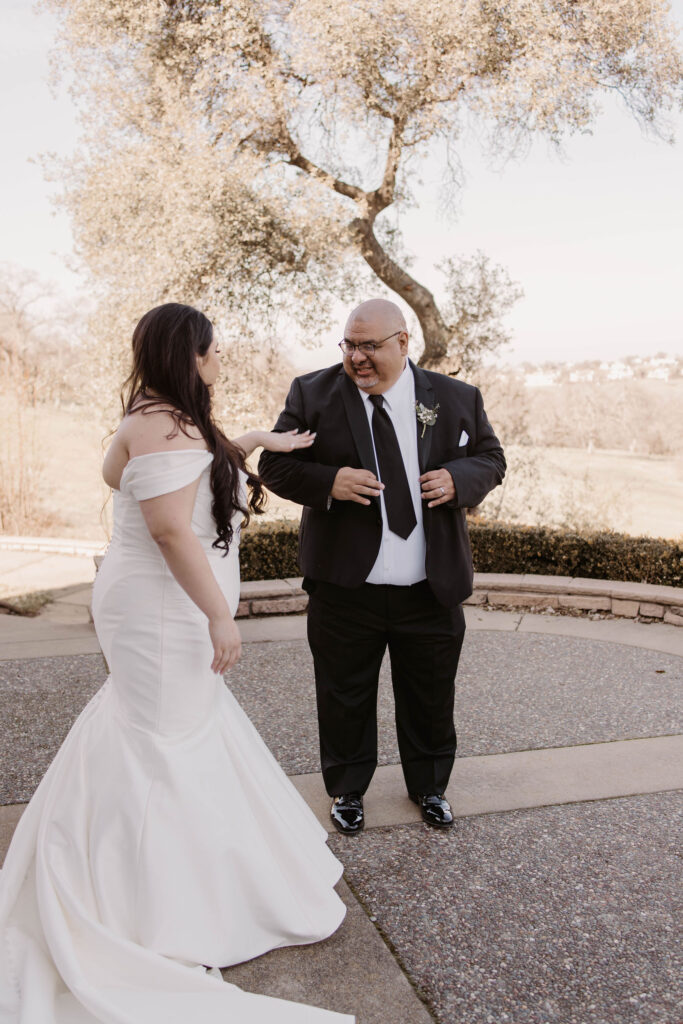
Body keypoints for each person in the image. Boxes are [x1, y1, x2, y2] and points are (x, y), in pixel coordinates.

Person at [0, 303, 354, 1023]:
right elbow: (166, 527)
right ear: (189, 355)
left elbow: (126, 472)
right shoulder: (162, 423)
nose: (219, 360)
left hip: (160, 604)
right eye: (212, 349)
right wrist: (219, 614)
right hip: (163, 613)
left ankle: (170, 874)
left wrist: (252, 439)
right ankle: (153, 904)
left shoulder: (154, 419)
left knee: (171, 726)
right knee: (161, 736)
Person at [259, 298, 505, 836]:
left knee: (431, 695)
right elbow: (273, 463)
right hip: (346, 589)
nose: (357, 358)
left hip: (429, 588)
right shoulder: (313, 394)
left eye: (369, 346)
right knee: (343, 695)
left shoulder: (456, 398)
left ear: (403, 342)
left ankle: (430, 788)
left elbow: (492, 458)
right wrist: (329, 483)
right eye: (349, 344)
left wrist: (459, 479)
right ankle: (348, 789)